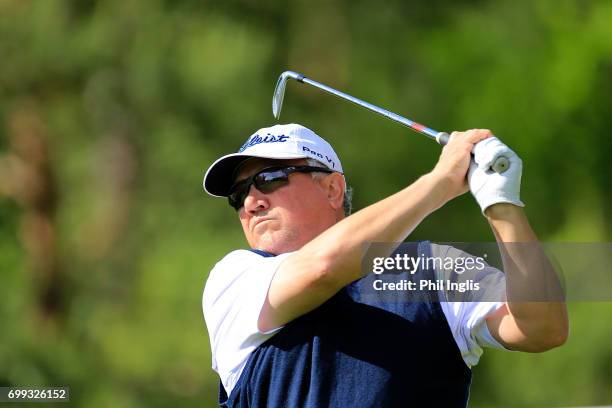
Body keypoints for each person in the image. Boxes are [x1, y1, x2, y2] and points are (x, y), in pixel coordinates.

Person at [201, 123, 568, 407]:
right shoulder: (234, 279)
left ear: (332, 189)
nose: (251, 201)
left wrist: (500, 203)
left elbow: (542, 328)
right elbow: (322, 268)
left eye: (268, 179)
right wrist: (439, 183)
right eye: (239, 194)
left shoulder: (432, 270)